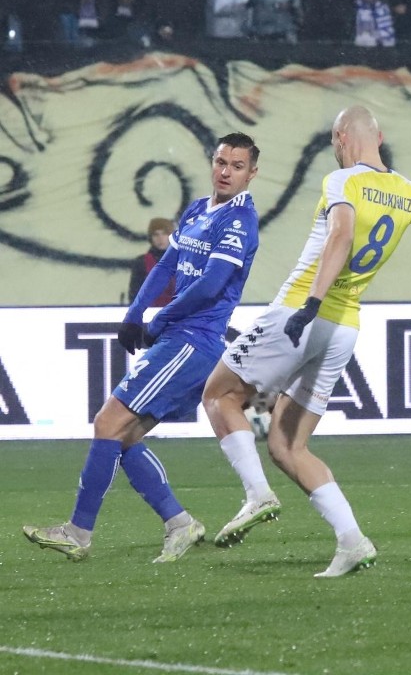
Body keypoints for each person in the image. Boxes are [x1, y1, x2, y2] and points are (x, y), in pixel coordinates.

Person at [200, 106, 411, 577]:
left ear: (341, 136)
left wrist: (311, 301)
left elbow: (342, 236)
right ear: (380, 136)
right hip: (344, 328)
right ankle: (352, 541)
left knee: (218, 394)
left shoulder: (342, 181)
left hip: (301, 312)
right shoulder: (409, 192)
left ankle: (256, 494)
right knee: (289, 446)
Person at [23, 133, 261, 563]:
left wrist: (162, 318)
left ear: (251, 173)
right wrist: (134, 313)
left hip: (193, 342)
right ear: (213, 162)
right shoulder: (196, 210)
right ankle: (179, 523)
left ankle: (78, 533)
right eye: (222, 161)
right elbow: (168, 265)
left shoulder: (241, 221)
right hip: (176, 338)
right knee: (122, 437)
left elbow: (210, 286)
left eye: (237, 165)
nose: (226, 171)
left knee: (107, 422)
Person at [128, 217, 176, 304]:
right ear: (151, 238)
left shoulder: (183, 260)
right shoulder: (141, 262)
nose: (160, 238)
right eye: (156, 234)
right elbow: (134, 296)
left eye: (164, 234)